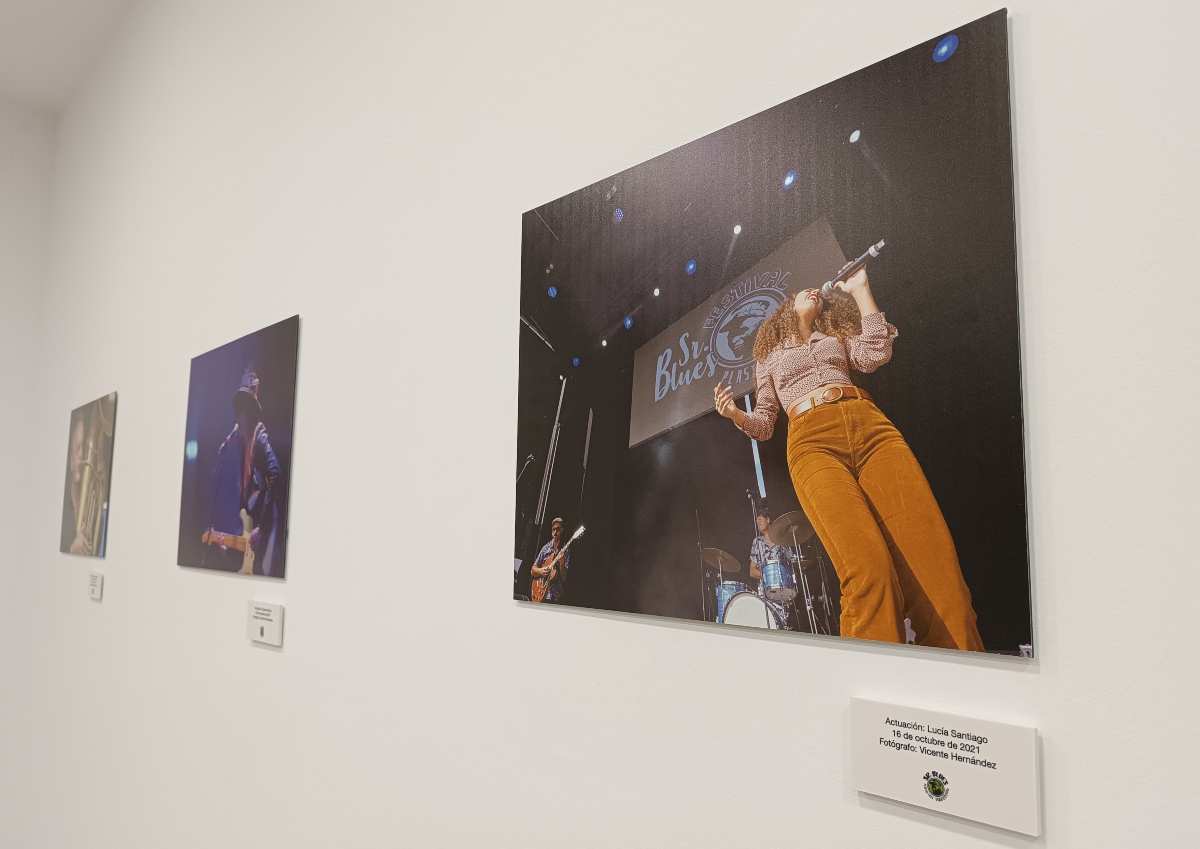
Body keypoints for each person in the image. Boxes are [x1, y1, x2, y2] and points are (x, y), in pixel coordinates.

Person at [713, 268, 983, 651]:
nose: (811, 289)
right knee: (869, 569)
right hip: (811, 442)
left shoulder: (834, 336)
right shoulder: (769, 356)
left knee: (936, 566)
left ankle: (960, 674)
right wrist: (735, 416)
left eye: (815, 290)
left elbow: (876, 353)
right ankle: (869, 680)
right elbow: (765, 421)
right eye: (800, 291)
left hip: (871, 428)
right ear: (786, 310)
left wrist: (861, 290)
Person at [232, 368, 283, 576]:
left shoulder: (259, 436)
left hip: (268, 523)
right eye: (239, 409)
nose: (240, 415)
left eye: (245, 409)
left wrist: (261, 527)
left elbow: (274, 473)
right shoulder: (241, 445)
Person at [531, 517, 571, 603]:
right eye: (553, 530)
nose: (555, 532)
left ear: (562, 530)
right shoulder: (546, 548)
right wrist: (541, 571)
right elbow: (533, 570)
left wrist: (562, 562)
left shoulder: (565, 550)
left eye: (558, 529)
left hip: (554, 597)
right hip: (539, 591)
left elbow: (564, 577)